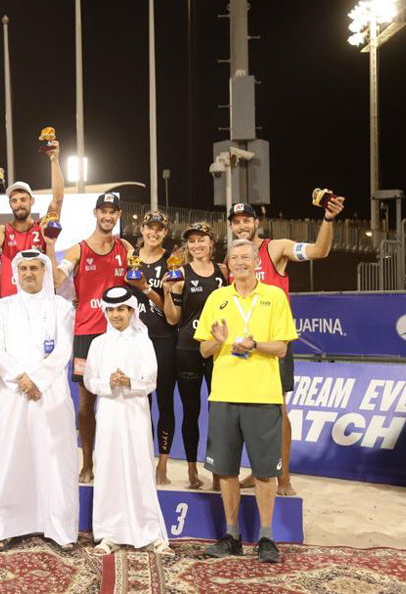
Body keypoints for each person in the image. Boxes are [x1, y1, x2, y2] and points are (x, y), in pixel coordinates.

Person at [227, 197, 344, 496]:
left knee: (277, 410)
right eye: (236, 222)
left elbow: (319, 251)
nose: (242, 226)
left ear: (256, 223)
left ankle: (284, 477)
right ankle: (258, 470)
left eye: (246, 220)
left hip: (273, 346)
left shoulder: (275, 248)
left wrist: (328, 218)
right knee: (248, 412)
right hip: (241, 348)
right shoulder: (235, 259)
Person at [196, 238, 298, 564]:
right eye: (234, 257)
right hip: (224, 395)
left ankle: (267, 536)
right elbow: (204, 350)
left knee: (265, 472)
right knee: (226, 470)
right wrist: (219, 341)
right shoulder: (217, 298)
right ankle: (232, 535)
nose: (240, 262)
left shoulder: (274, 296)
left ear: (256, 262)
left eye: (245, 257)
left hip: (263, 396)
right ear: (228, 264)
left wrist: (253, 346)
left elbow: (281, 347)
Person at [0, 250, 77, 552]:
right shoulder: (4, 307)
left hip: (51, 393)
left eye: (34, 268)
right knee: (12, 457)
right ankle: (7, 526)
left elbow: (63, 350)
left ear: (44, 271)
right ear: (17, 273)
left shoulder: (61, 307)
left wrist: (36, 379)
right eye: (23, 268)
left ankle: (60, 528)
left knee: (56, 458)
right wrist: (21, 378)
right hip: (14, 394)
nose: (28, 273)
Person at [49, 192, 132, 483]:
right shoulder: (78, 250)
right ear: (95, 214)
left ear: (118, 215)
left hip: (116, 334)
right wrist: (50, 246)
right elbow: (56, 280)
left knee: (117, 400)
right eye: (103, 211)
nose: (107, 216)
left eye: (113, 212)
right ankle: (87, 463)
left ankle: (115, 464)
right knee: (86, 405)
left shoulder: (126, 248)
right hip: (86, 334)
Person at [84, 286, 171, 556]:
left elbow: (151, 381)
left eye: (120, 309)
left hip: (136, 412)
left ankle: (151, 532)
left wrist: (129, 382)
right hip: (109, 413)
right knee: (108, 468)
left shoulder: (143, 342)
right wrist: (108, 383)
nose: (115, 315)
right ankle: (108, 533)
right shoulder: (99, 343)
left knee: (139, 468)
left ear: (131, 311)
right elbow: (89, 380)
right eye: (110, 310)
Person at [162, 223, 228, 489]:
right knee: (191, 412)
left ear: (212, 242)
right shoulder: (180, 273)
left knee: (218, 412)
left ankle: (217, 469)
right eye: (192, 241)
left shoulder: (223, 272)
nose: (197, 245)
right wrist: (167, 292)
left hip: (216, 349)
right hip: (188, 349)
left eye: (202, 240)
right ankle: (192, 470)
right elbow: (172, 318)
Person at [0, 137, 65, 298]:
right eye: (14, 201)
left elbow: (57, 200)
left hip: (41, 301)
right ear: (10, 204)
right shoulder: (4, 230)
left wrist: (54, 159)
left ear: (32, 201)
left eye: (23, 199)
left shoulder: (42, 226)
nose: (19, 204)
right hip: (12, 302)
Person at [130, 212, 176, 486]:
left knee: (165, 402)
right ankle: (143, 460)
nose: (154, 233)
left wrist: (146, 289)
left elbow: (171, 312)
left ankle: (163, 465)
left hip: (163, 338)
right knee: (140, 403)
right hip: (135, 340)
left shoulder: (172, 261)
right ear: (142, 229)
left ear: (165, 233)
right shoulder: (130, 257)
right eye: (150, 228)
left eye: (159, 229)